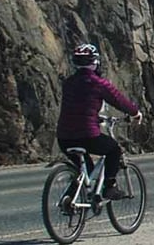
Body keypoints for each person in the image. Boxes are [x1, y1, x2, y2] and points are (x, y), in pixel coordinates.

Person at [56, 44, 142, 201]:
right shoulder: (98, 83)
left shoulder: (68, 83)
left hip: (64, 137)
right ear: (95, 62)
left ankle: (69, 199)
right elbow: (119, 100)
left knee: (85, 170)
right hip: (87, 135)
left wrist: (96, 118)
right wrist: (135, 113)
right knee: (114, 150)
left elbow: (78, 108)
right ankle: (110, 187)